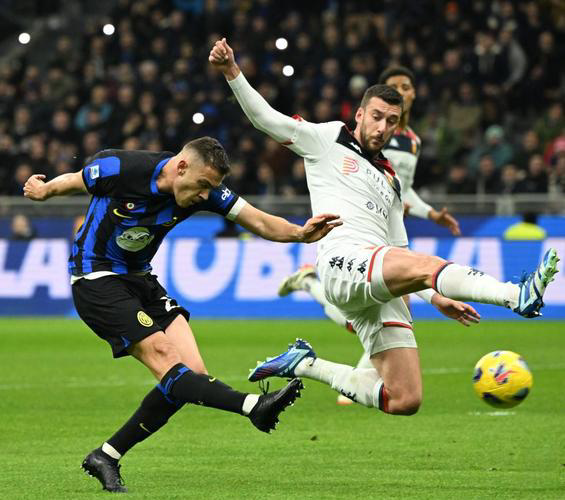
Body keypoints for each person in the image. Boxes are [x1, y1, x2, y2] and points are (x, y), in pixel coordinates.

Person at [209, 38, 559, 418]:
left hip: (376, 275)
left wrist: (436, 298)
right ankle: (516, 295)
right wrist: (232, 72)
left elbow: (401, 254)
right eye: (376, 116)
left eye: (391, 121)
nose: (382, 127)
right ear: (360, 114)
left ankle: (305, 364)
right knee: (426, 264)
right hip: (344, 260)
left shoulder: (391, 181)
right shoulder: (328, 139)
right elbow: (265, 118)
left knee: (405, 399)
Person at [23, 137, 342, 493]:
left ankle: (106, 455)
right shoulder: (121, 168)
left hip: (141, 279)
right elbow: (76, 180)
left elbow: (258, 220)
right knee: (165, 357)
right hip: (96, 278)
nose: (205, 195)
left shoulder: (206, 191)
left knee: (191, 377)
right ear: (181, 166)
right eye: (202, 185)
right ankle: (253, 406)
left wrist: (300, 234)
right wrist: (44, 190)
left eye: (211, 188)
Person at [277, 66, 461, 404]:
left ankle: (312, 291)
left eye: (406, 86)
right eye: (394, 86)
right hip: (358, 229)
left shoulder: (412, 141)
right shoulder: (366, 135)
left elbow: (403, 189)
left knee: (389, 311)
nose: (401, 91)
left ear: (412, 95)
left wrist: (430, 213)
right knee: (378, 310)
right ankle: (314, 291)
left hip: (390, 225)